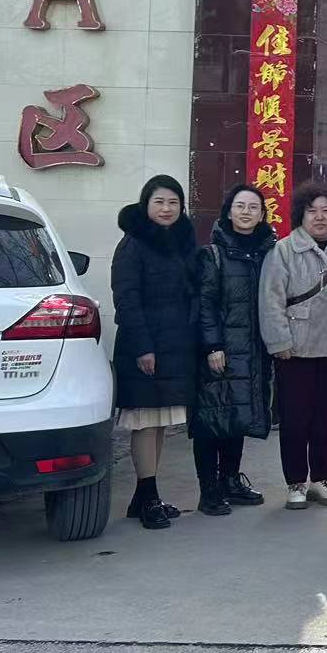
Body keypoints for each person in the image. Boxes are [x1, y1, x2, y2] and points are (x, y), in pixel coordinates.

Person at [110, 174, 199, 531]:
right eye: (159, 202)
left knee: (160, 421)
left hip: (173, 346)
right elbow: (126, 299)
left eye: (173, 202)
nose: (166, 209)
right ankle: (148, 496)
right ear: (146, 204)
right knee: (145, 422)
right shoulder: (133, 244)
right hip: (143, 347)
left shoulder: (180, 241)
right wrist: (143, 347)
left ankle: (143, 496)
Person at [259, 184, 327, 510]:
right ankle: (295, 482)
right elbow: (270, 300)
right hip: (294, 348)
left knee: (326, 418)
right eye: (312, 211)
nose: (319, 217)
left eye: (326, 210)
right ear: (301, 215)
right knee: (295, 418)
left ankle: (321, 480)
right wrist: (279, 341)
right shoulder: (283, 251)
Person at [192, 183, 276, 516]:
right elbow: (205, 304)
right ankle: (208, 490)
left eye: (253, 207)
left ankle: (230, 480)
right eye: (240, 206)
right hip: (222, 350)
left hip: (254, 349)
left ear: (262, 214)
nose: (246, 212)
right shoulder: (212, 254)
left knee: (238, 414)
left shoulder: (269, 252)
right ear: (228, 212)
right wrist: (212, 345)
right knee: (211, 418)